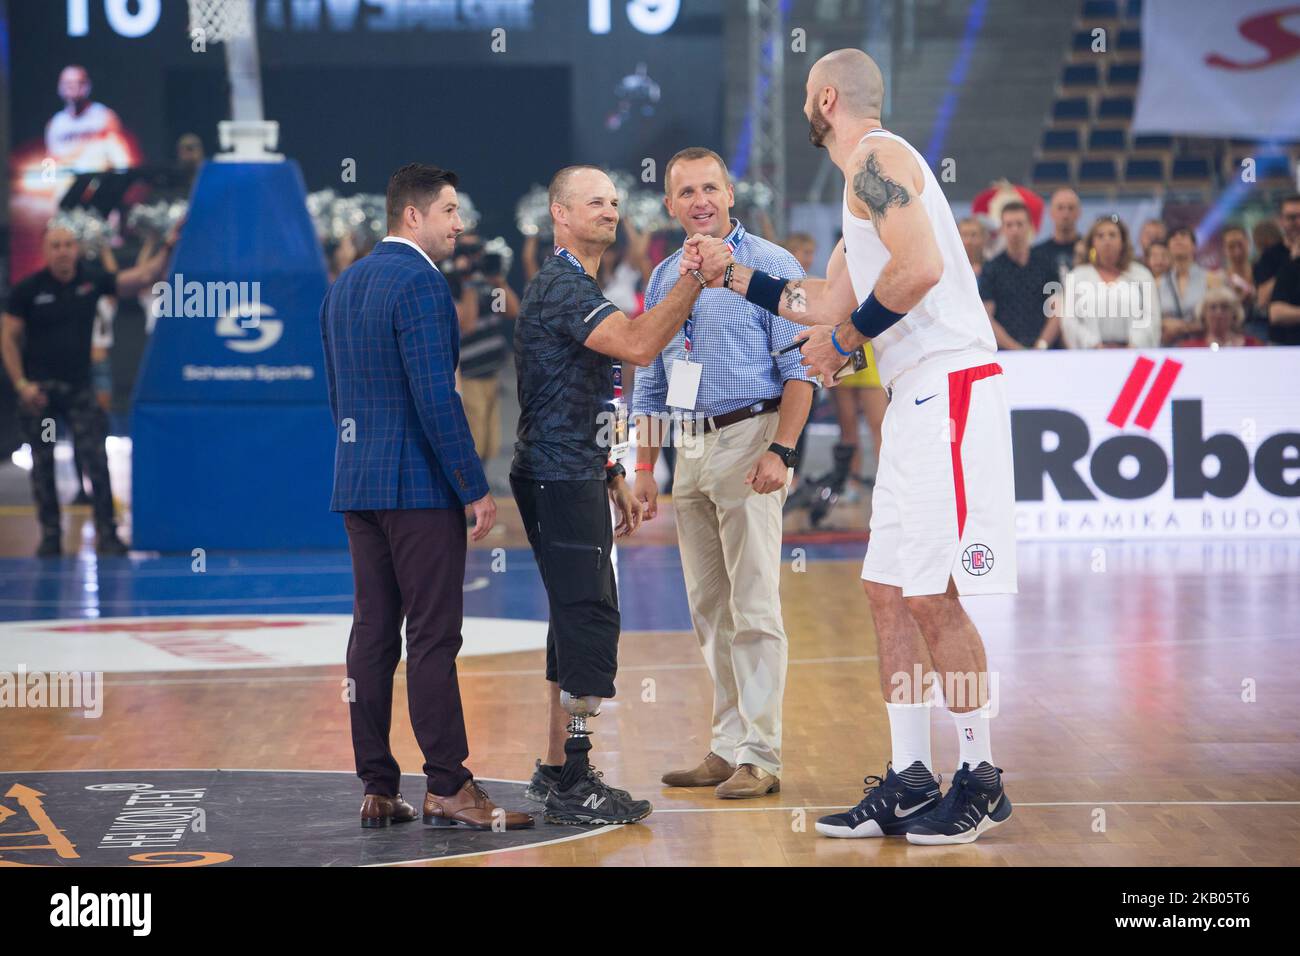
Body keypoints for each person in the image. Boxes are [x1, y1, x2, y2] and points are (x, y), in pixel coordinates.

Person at [694, 48, 1018, 845]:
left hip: (951, 384)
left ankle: (980, 776)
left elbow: (919, 269)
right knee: (886, 591)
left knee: (933, 593)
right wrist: (736, 277)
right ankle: (912, 775)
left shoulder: (878, 156)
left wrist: (843, 339)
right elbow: (822, 298)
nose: (807, 107)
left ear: (826, 97)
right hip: (914, 394)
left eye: (808, 96)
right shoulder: (857, 193)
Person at [513, 164, 731, 825]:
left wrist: (613, 472)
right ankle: (575, 779)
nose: (611, 211)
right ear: (560, 213)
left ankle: (556, 769)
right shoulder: (561, 286)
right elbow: (639, 347)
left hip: (572, 471)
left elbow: (588, 391)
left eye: (613, 201)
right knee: (590, 619)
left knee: (571, 619)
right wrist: (697, 276)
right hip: (558, 476)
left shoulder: (580, 284)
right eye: (595, 203)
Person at [319, 163, 532, 832]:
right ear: (413, 216)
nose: (458, 224)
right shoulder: (422, 284)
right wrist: (472, 486)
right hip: (416, 489)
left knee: (373, 634)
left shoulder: (343, 286)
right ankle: (448, 785)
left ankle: (378, 787)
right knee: (434, 637)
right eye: (447, 211)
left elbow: (337, 397)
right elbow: (436, 396)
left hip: (358, 483)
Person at [632, 147, 815, 799]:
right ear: (672, 204)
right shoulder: (662, 280)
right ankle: (726, 743)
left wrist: (783, 450)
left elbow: (802, 369)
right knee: (709, 605)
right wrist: (644, 467)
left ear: (731, 194)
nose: (700, 200)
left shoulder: (770, 266)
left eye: (710, 187)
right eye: (687, 192)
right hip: (690, 447)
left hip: (752, 435)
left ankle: (760, 755)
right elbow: (651, 379)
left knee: (755, 601)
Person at [2, 223, 173, 556]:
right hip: (41, 393)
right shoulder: (28, 290)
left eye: (68, 244)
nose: (63, 251)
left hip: (80, 388)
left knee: (97, 459)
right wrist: (21, 384)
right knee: (43, 464)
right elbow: (7, 337)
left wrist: (167, 245)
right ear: (46, 252)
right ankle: (51, 535)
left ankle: (107, 533)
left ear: (76, 249)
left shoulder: (90, 280)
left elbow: (140, 278)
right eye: (56, 245)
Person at [1059, 215, 1161, 349]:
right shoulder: (1078, 276)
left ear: (1123, 241)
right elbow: (1069, 321)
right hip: (1091, 354)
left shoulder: (1141, 275)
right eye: (1100, 236)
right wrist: (1093, 344)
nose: (1106, 240)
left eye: (1112, 235)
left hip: (1133, 352)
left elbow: (1152, 317)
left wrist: (1135, 343)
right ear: (1092, 243)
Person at [978, 201, 1060, 349]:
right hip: (1007, 353)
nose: (1015, 230)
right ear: (1002, 229)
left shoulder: (1047, 263)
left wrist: (1041, 345)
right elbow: (987, 317)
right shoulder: (991, 269)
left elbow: (1057, 310)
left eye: (1019, 224)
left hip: (1045, 351)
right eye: (1009, 225)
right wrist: (1016, 349)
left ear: (1029, 226)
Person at [44, 65, 132, 173]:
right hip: (67, 176)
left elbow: (117, 152)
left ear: (87, 86)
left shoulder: (104, 116)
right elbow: (52, 159)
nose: (73, 87)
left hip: (97, 176)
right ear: (59, 87)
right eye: (68, 83)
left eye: (79, 82)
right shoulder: (55, 123)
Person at [1159, 226, 1220, 343]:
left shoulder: (1211, 279)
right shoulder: (1158, 283)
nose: (1178, 239)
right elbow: (1151, 318)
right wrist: (1163, 323)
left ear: (1194, 246)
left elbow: (1219, 317)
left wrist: (1184, 327)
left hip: (1202, 344)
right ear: (1168, 248)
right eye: (1173, 237)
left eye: (1183, 235)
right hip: (1169, 347)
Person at [1255, 194, 1300, 311]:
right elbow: (1262, 301)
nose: (1298, 223)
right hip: (1284, 327)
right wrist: (1291, 261)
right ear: (1282, 220)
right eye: (1292, 217)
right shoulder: (1269, 256)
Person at [1180, 286, 1262, 348]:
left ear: (1235, 313)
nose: (1218, 312)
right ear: (1203, 313)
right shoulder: (1189, 347)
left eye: (1225, 307)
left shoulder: (1253, 345)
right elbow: (1168, 371)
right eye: (1213, 307)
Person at [1031, 188, 1082, 281]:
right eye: (1060, 208)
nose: (1066, 214)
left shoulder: (1089, 250)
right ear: (1051, 212)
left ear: (1079, 213)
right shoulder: (1036, 255)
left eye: (1071, 208)